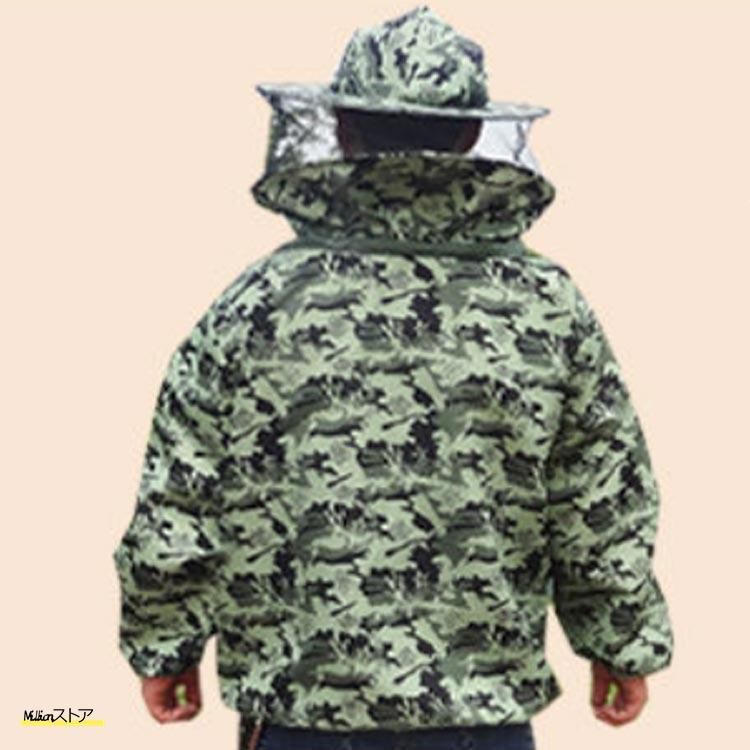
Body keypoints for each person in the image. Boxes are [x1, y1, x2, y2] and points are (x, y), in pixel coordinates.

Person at [112, 6, 674, 750]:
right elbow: (598, 499)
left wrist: (166, 646)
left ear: (341, 129)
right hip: (481, 719)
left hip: (301, 716)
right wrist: (620, 644)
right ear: (472, 136)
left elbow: (181, 495)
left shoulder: (252, 307)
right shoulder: (549, 308)